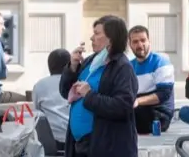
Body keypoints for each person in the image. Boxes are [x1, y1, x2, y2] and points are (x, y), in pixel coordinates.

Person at [59, 15, 138, 157]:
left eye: (97, 33)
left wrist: (89, 95)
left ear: (111, 38)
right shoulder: (91, 61)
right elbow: (66, 92)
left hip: (105, 145)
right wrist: (72, 67)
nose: (91, 38)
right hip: (78, 144)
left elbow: (123, 106)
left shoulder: (122, 67)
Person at [128, 25, 175, 134]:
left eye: (143, 40)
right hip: (138, 110)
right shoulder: (129, 66)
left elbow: (164, 94)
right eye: (135, 42)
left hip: (159, 114)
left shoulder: (161, 62)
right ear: (130, 45)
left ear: (149, 41)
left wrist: (137, 101)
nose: (140, 45)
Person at [32, 49, 72, 151]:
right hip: (75, 139)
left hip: (51, 140)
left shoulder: (40, 85)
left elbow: (37, 113)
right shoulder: (78, 82)